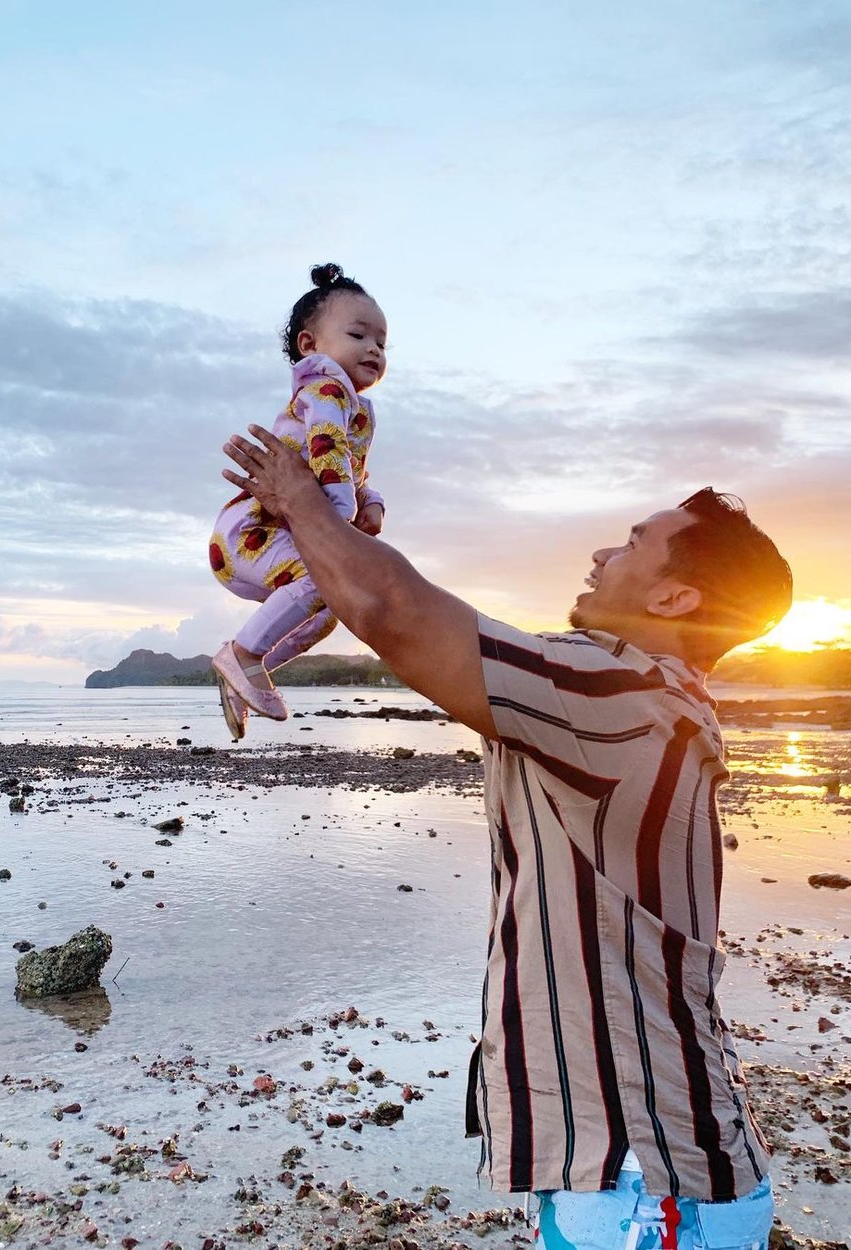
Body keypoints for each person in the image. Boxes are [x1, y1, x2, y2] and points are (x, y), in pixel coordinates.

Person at [221, 425, 793, 1250]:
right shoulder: (640, 698)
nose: (602, 554)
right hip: (636, 1174)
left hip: (648, 1186)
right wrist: (334, 529)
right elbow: (426, 620)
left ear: (675, 600)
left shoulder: (623, 694)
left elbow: (398, 613)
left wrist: (301, 499)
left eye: (634, 543)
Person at [208, 262, 387, 740]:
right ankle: (243, 655)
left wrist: (371, 501)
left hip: (273, 533)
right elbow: (327, 451)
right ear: (310, 345)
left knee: (330, 608)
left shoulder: (354, 408)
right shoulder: (325, 389)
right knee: (323, 580)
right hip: (252, 531)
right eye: (358, 335)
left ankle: (248, 667)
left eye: (382, 342)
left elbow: (351, 469)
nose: (373, 348)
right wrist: (341, 521)